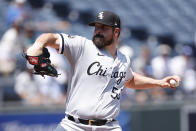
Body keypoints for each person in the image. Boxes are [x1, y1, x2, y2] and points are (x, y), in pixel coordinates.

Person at [26, 11, 180, 131]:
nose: (98, 31)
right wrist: (37, 45)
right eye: (96, 27)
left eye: (104, 28)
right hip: (74, 125)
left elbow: (130, 80)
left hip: (108, 127)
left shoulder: (124, 59)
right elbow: (51, 37)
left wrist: (159, 83)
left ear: (116, 32)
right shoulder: (82, 46)